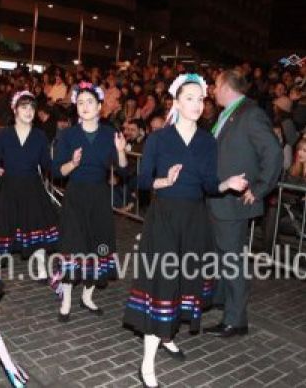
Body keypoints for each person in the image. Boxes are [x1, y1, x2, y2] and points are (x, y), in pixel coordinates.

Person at [123, 73, 248, 388]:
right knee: (163, 285)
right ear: (175, 102)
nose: (196, 104)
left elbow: (208, 184)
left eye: (200, 99)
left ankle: (166, 337)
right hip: (164, 218)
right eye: (189, 98)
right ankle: (147, 364)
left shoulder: (208, 141)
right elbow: (140, 181)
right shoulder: (159, 139)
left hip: (194, 220)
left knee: (180, 282)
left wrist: (227, 184)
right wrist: (163, 182)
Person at [205, 69, 282, 338]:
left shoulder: (251, 114)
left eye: (215, 85)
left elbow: (273, 153)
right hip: (218, 199)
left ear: (226, 86)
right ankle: (223, 301)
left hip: (233, 203)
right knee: (220, 257)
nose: (212, 91)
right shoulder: (227, 114)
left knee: (232, 261)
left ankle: (236, 320)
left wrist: (259, 189)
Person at [52, 81, 127, 321]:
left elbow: (124, 171)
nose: (84, 106)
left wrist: (122, 151)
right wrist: (72, 164)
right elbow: (57, 172)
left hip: (99, 197)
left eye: (90, 102)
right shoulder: (68, 135)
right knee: (73, 246)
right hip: (75, 196)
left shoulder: (110, 134)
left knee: (98, 245)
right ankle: (67, 300)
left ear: (99, 107)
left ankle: (87, 295)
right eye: (80, 102)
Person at [0, 91, 59, 280]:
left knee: (35, 226)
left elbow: (47, 164)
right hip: (9, 187)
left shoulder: (39, 135)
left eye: (32, 108)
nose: (29, 111)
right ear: (15, 110)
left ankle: (41, 267)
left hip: (32, 188)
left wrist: (68, 166)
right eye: (24, 107)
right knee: (2, 227)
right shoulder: (4, 134)